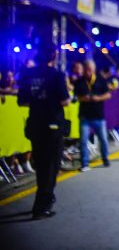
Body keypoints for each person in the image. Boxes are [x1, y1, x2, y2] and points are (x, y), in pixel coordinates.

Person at [16, 44, 71, 219]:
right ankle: (42, 206)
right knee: (51, 166)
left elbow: (22, 101)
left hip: (35, 125)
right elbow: (65, 101)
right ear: (53, 57)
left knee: (40, 165)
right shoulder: (57, 75)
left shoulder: (27, 74)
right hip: (52, 126)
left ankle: (44, 200)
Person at [73, 58, 111, 170]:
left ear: (94, 69)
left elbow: (108, 95)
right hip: (85, 116)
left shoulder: (100, 79)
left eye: (90, 69)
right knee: (83, 140)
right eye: (86, 69)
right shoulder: (79, 82)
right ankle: (85, 163)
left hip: (99, 116)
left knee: (103, 139)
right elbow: (76, 97)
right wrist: (86, 99)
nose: (88, 71)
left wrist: (98, 98)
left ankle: (105, 158)